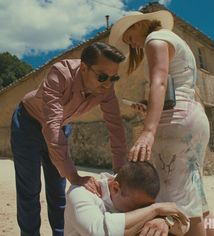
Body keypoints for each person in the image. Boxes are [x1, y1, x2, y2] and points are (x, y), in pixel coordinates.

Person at [109, 10, 214, 236]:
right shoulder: (176, 41)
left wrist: (148, 130)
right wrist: (148, 106)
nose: (133, 44)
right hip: (193, 117)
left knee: (181, 205)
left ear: (139, 25)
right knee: (195, 195)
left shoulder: (155, 39)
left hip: (176, 122)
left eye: (130, 37)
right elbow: (176, 88)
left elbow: (159, 81)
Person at [10, 42, 128, 236]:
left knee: (58, 193)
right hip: (27, 124)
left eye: (113, 78)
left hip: (60, 127)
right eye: (102, 77)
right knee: (30, 190)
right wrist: (74, 175)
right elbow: (52, 126)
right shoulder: (60, 73)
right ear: (83, 68)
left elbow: (115, 127)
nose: (107, 84)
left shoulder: (107, 90)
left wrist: (120, 172)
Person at [64, 161, 190, 236]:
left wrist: (165, 222)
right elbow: (99, 232)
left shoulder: (140, 194)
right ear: (115, 188)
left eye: (144, 208)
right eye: (135, 207)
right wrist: (155, 210)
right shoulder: (81, 194)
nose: (141, 211)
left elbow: (184, 225)